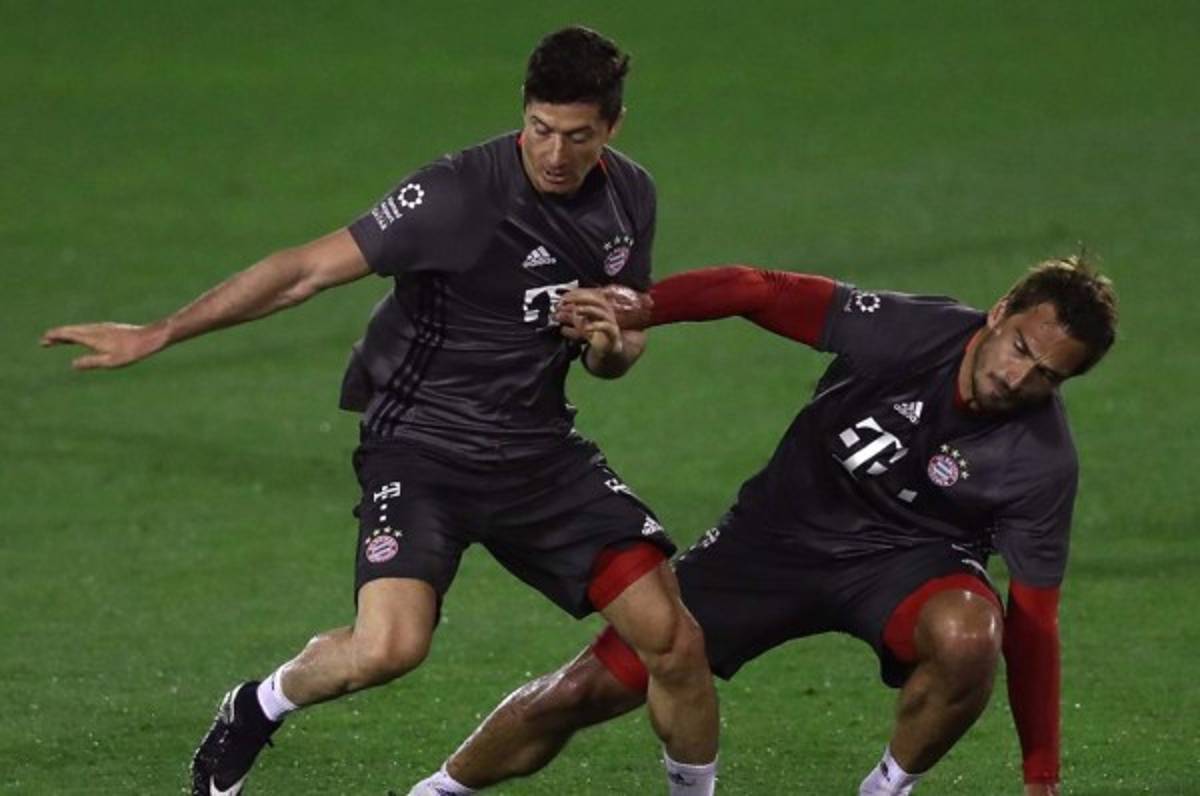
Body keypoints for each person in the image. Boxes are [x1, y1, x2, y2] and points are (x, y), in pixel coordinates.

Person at [40, 26, 720, 796]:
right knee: (388, 650)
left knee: (673, 640)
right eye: (540, 130)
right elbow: (302, 272)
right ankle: (258, 704)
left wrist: (606, 344)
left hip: (538, 451)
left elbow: (620, 354)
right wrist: (162, 331)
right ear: (522, 113)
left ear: (613, 128)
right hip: (422, 446)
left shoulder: (631, 197)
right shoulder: (456, 193)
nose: (556, 154)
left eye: (578, 137)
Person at [404, 257, 1118, 796]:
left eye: (1050, 377)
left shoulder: (1043, 462)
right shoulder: (906, 331)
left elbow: (1034, 622)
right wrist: (646, 308)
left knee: (972, 635)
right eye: (1022, 349)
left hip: (905, 565)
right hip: (772, 541)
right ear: (999, 314)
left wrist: (1040, 774)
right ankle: (442, 788)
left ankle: (886, 789)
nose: (1021, 381)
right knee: (587, 689)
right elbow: (756, 289)